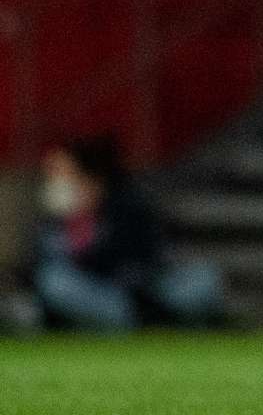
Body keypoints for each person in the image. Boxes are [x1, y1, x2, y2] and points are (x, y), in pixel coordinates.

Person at [33, 136, 223, 331]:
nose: (54, 182)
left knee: (203, 278)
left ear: (90, 178)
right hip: (103, 298)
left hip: (145, 291)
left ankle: (153, 317)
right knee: (54, 282)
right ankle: (140, 319)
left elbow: (145, 260)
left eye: (62, 174)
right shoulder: (55, 223)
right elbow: (46, 270)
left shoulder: (127, 206)